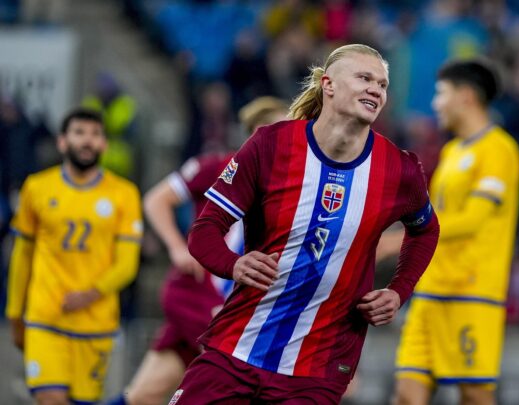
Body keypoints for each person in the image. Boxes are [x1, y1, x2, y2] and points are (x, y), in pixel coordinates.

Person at [168, 43, 440, 405]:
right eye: (364, 78)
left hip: (318, 370)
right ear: (328, 85)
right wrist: (233, 264)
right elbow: (205, 231)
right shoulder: (271, 144)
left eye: (383, 84)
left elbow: (426, 230)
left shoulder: (399, 169)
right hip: (236, 348)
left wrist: (398, 290)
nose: (376, 89)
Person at [105, 96, 288, 405]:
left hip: (230, 302)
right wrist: (178, 247)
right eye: (280, 130)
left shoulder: (289, 188)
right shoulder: (217, 167)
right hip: (197, 294)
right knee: (236, 379)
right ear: (256, 132)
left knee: (143, 395)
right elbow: (155, 200)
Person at [393, 60, 519, 405]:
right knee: (407, 393)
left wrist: (401, 237)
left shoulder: (499, 149)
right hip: (431, 291)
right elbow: (437, 220)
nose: (435, 103)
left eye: (441, 94)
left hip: (472, 292)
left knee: (475, 395)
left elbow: (473, 219)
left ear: (465, 96)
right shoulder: (451, 152)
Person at [5, 108, 143, 405]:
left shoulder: (124, 194)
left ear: (104, 144)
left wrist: (91, 293)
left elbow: (127, 264)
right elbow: (22, 255)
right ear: (62, 142)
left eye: (95, 135)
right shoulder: (37, 188)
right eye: (79, 133)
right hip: (45, 317)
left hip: (95, 324)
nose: (87, 141)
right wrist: (15, 311)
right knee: (51, 398)